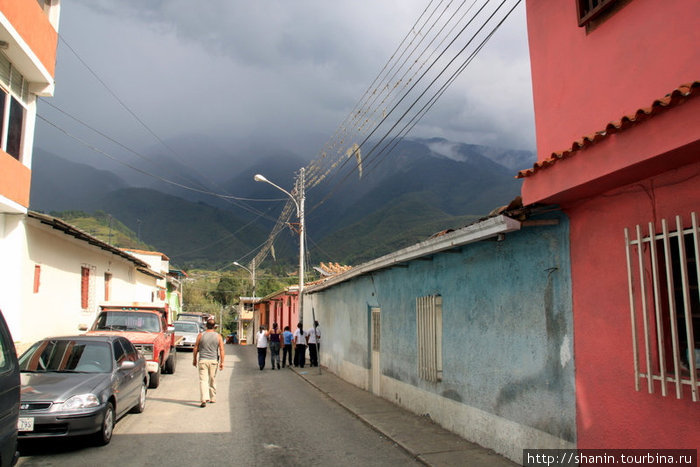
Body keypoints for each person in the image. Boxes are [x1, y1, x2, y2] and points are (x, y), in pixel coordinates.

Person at [192, 318, 225, 408]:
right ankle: (212, 397)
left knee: (203, 380)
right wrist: (222, 362)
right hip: (213, 361)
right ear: (215, 327)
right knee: (212, 379)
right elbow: (221, 350)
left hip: (202, 360)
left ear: (206, 325)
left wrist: (194, 359)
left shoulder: (200, 335)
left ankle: (203, 398)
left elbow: (195, 348)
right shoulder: (218, 336)